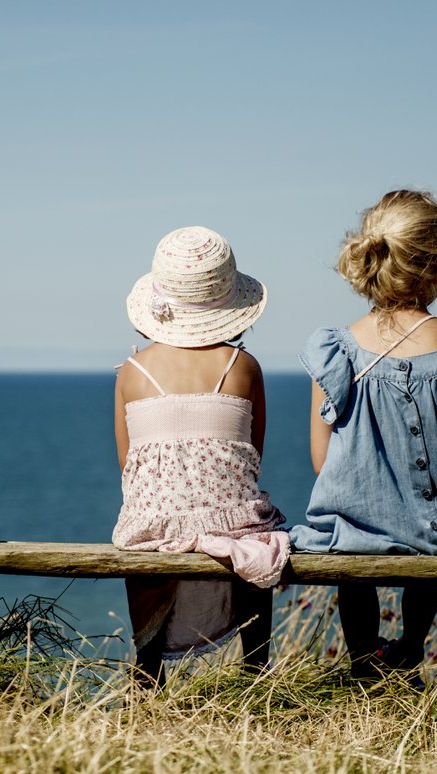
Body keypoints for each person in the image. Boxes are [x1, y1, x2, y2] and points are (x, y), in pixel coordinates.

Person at [290, 190, 437, 680]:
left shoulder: (334, 351)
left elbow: (324, 463)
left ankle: (362, 654)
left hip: (353, 534)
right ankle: (410, 645)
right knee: (431, 540)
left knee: (347, 540)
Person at [112, 226, 290, 684]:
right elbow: (253, 456)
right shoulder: (244, 367)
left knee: (144, 514)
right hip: (230, 524)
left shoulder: (132, 372)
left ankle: (147, 670)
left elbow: (128, 468)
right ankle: (256, 667)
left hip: (155, 526)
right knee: (258, 524)